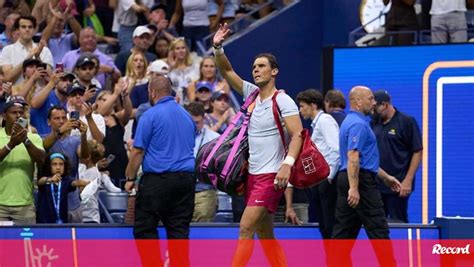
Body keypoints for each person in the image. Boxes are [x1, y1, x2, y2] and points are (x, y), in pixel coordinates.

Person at [213, 23, 303, 266]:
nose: (256, 70)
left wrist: (287, 165)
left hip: (272, 176)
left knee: (245, 228)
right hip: (252, 176)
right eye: (254, 67)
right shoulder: (251, 94)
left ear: (274, 71)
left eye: (261, 66)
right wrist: (218, 47)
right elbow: (228, 72)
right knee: (265, 234)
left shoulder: (283, 100)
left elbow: (298, 135)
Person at [124, 75, 196, 266]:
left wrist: (130, 177)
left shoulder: (150, 115)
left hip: (158, 181)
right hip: (185, 181)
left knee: (144, 229)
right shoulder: (187, 116)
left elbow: (138, 151)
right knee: (179, 231)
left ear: (152, 92)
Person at [330, 86, 401, 267]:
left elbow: (363, 160)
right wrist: (354, 188)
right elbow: (353, 156)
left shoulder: (350, 121)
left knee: (343, 235)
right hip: (360, 183)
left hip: (348, 178)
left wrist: (386, 177)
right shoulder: (358, 125)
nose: (374, 102)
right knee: (379, 231)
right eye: (370, 98)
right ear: (358, 101)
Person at [371, 90, 422, 223]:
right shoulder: (373, 123)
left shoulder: (406, 122)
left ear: (385, 105)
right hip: (376, 185)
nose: (373, 111)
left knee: (398, 222)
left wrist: (408, 180)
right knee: (376, 225)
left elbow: (417, 151)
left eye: (375, 107)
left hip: (398, 185)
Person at [297, 89, 340, 239]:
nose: (300, 110)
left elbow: (336, 150)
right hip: (320, 181)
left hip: (326, 181)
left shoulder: (325, 121)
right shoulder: (317, 124)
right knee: (323, 224)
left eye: (302, 106)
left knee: (329, 224)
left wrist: (329, 177)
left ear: (313, 105)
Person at [0, 96, 45, 224]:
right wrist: (11, 144)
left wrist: (25, 140)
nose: (18, 116)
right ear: (4, 115)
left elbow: (42, 160)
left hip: (25, 205)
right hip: (0, 205)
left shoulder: (34, 138)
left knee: (26, 243)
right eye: (14, 112)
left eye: (21, 112)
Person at [42, 105, 90, 223]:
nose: (61, 121)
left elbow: (84, 156)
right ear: (49, 122)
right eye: (57, 118)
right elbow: (45, 145)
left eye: (64, 118)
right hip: (49, 202)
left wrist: (83, 136)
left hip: (73, 202)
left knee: (75, 240)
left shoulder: (74, 140)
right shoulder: (42, 138)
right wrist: (60, 131)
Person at [186, 102, 220, 222]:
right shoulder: (177, 136)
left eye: (197, 123)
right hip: (181, 191)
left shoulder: (215, 139)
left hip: (204, 190)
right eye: (190, 122)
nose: (194, 126)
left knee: (201, 229)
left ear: (204, 119)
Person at [36, 152, 89, 223]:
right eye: (54, 164)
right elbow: (40, 182)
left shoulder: (66, 181)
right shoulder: (46, 181)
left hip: (62, 222)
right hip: (44, 222)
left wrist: (86, 183)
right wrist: (50, 179)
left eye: (61, 164)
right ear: (49, 166)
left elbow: (74, 183)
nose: (58, 167)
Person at [0, 15, 53, 85]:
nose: (27, 29)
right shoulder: (7, 50)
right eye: (23, 27)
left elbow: (48, 77)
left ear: (34, 30)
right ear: (18, 30)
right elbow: (7, 78)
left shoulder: (44, 50)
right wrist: (27, 59)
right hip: (16, 94)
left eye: (30, 27)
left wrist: (37, 57)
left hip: (40, 94)